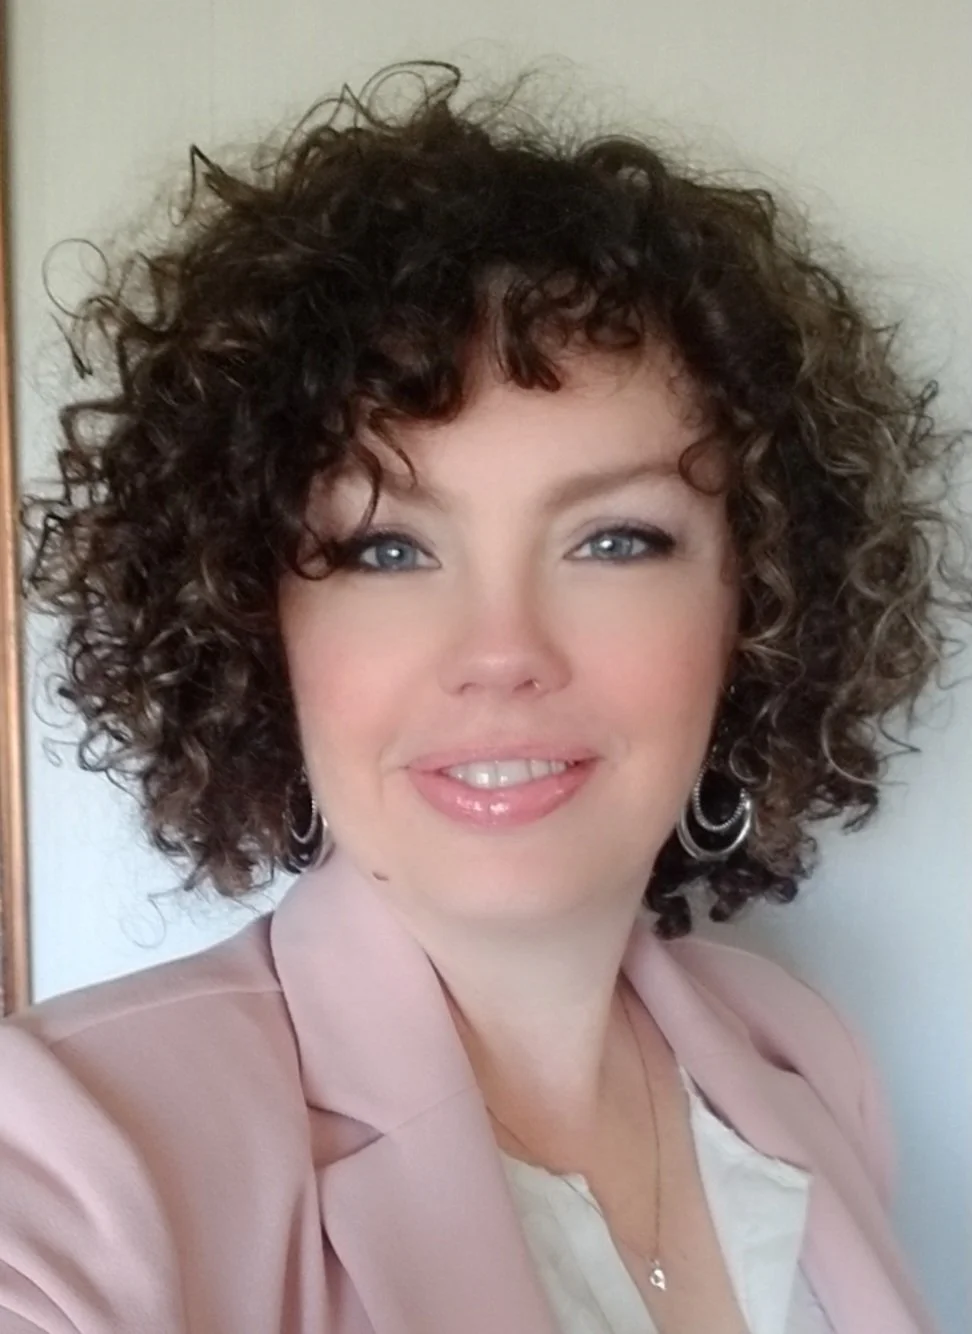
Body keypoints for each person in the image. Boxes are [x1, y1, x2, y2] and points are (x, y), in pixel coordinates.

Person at [2, 60, 967, 1334]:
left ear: (761, 600)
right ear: (254, 618)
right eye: (384, 548)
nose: (502, 650)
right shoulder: (68, 1154)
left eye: (616, 539)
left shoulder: (802, 1057)